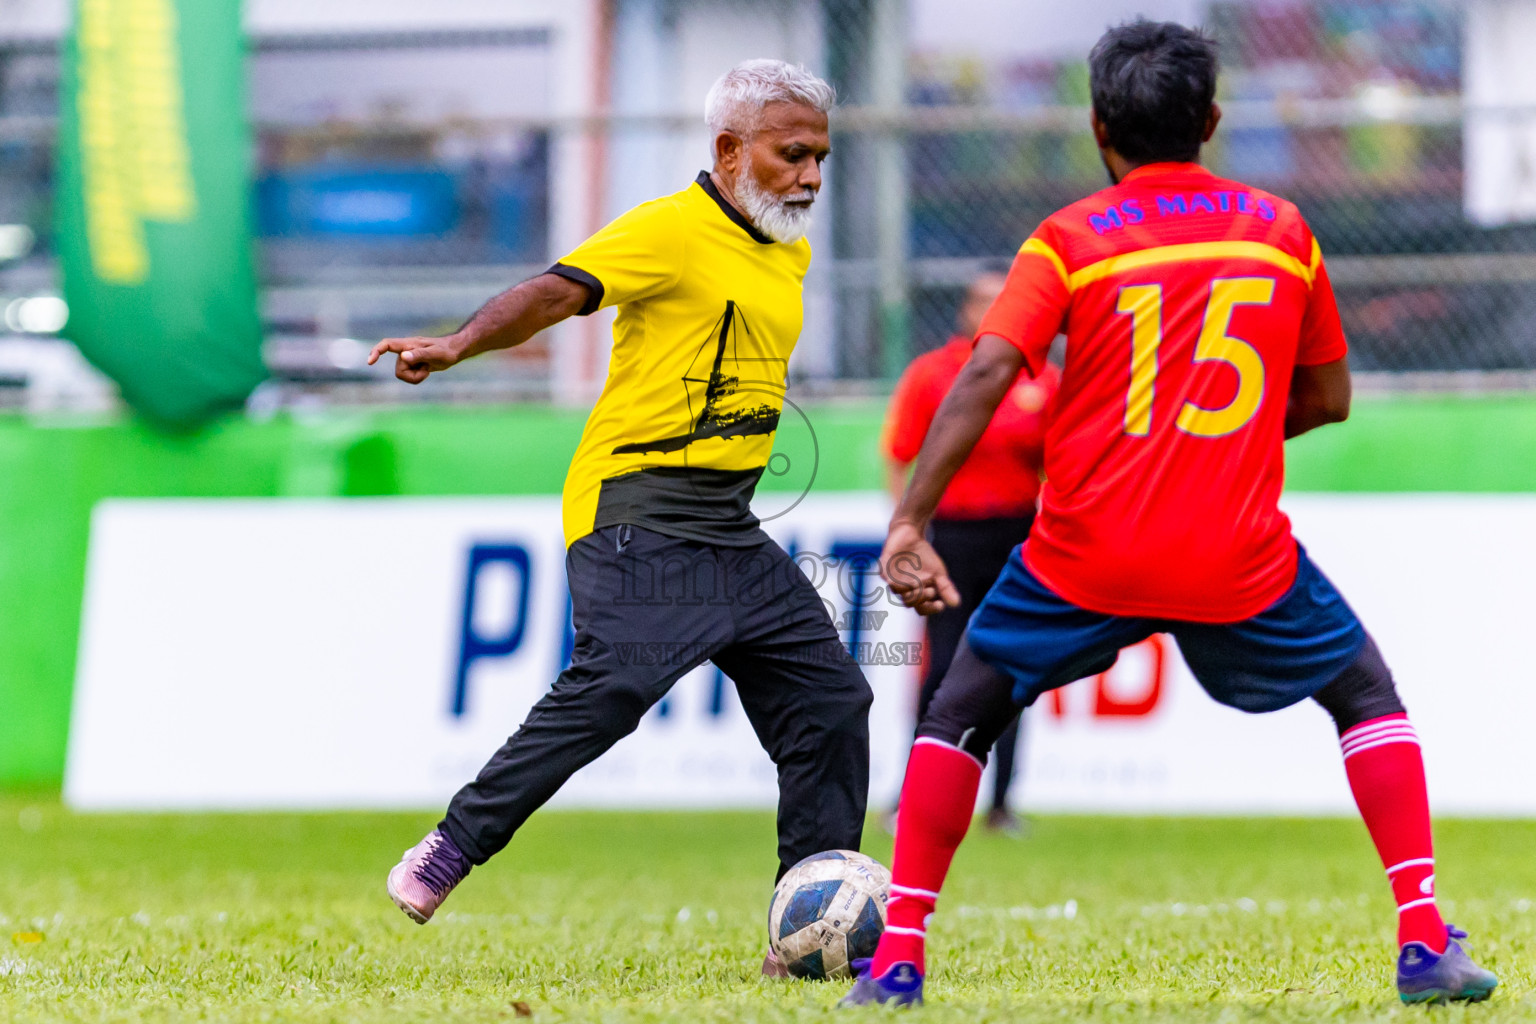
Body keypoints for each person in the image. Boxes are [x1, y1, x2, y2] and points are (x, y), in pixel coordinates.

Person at [842, 21, 1497, 1007]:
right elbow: (1327, 399)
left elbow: (987, 366)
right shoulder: (1282, 230)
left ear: (1098, 126)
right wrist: (1218, 448)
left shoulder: (1065, 240)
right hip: (1236, 554)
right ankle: (1421, 938)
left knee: (958, 710)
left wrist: (910, 521)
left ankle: (897, 961)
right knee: (1364, 696)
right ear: (1213, 121)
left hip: (1081, 553)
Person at [369, 60, 873, 977]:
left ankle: (802, 934)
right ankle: (450, 847)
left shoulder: (786, 246)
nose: (811, 176)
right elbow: (556, 290)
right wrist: (456, 344)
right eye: (792, 155)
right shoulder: (670, 228)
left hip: (726, 521)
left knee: (834, 700)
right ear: (729, 150)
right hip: (635, 504)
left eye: (821, 157)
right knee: (615, 684)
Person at [882, 269, 1059, 834]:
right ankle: (914, 797)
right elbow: (900, 453)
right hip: (951, 538)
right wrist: (908, 529)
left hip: (1018, 538)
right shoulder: (934, 375)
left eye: (999, 303)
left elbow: (1061, 467)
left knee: (1014, 667)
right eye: (981, 301)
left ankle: (1002, 803)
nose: (989, 313)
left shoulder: (1042, 380)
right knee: (940, 668)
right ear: (963, 310)